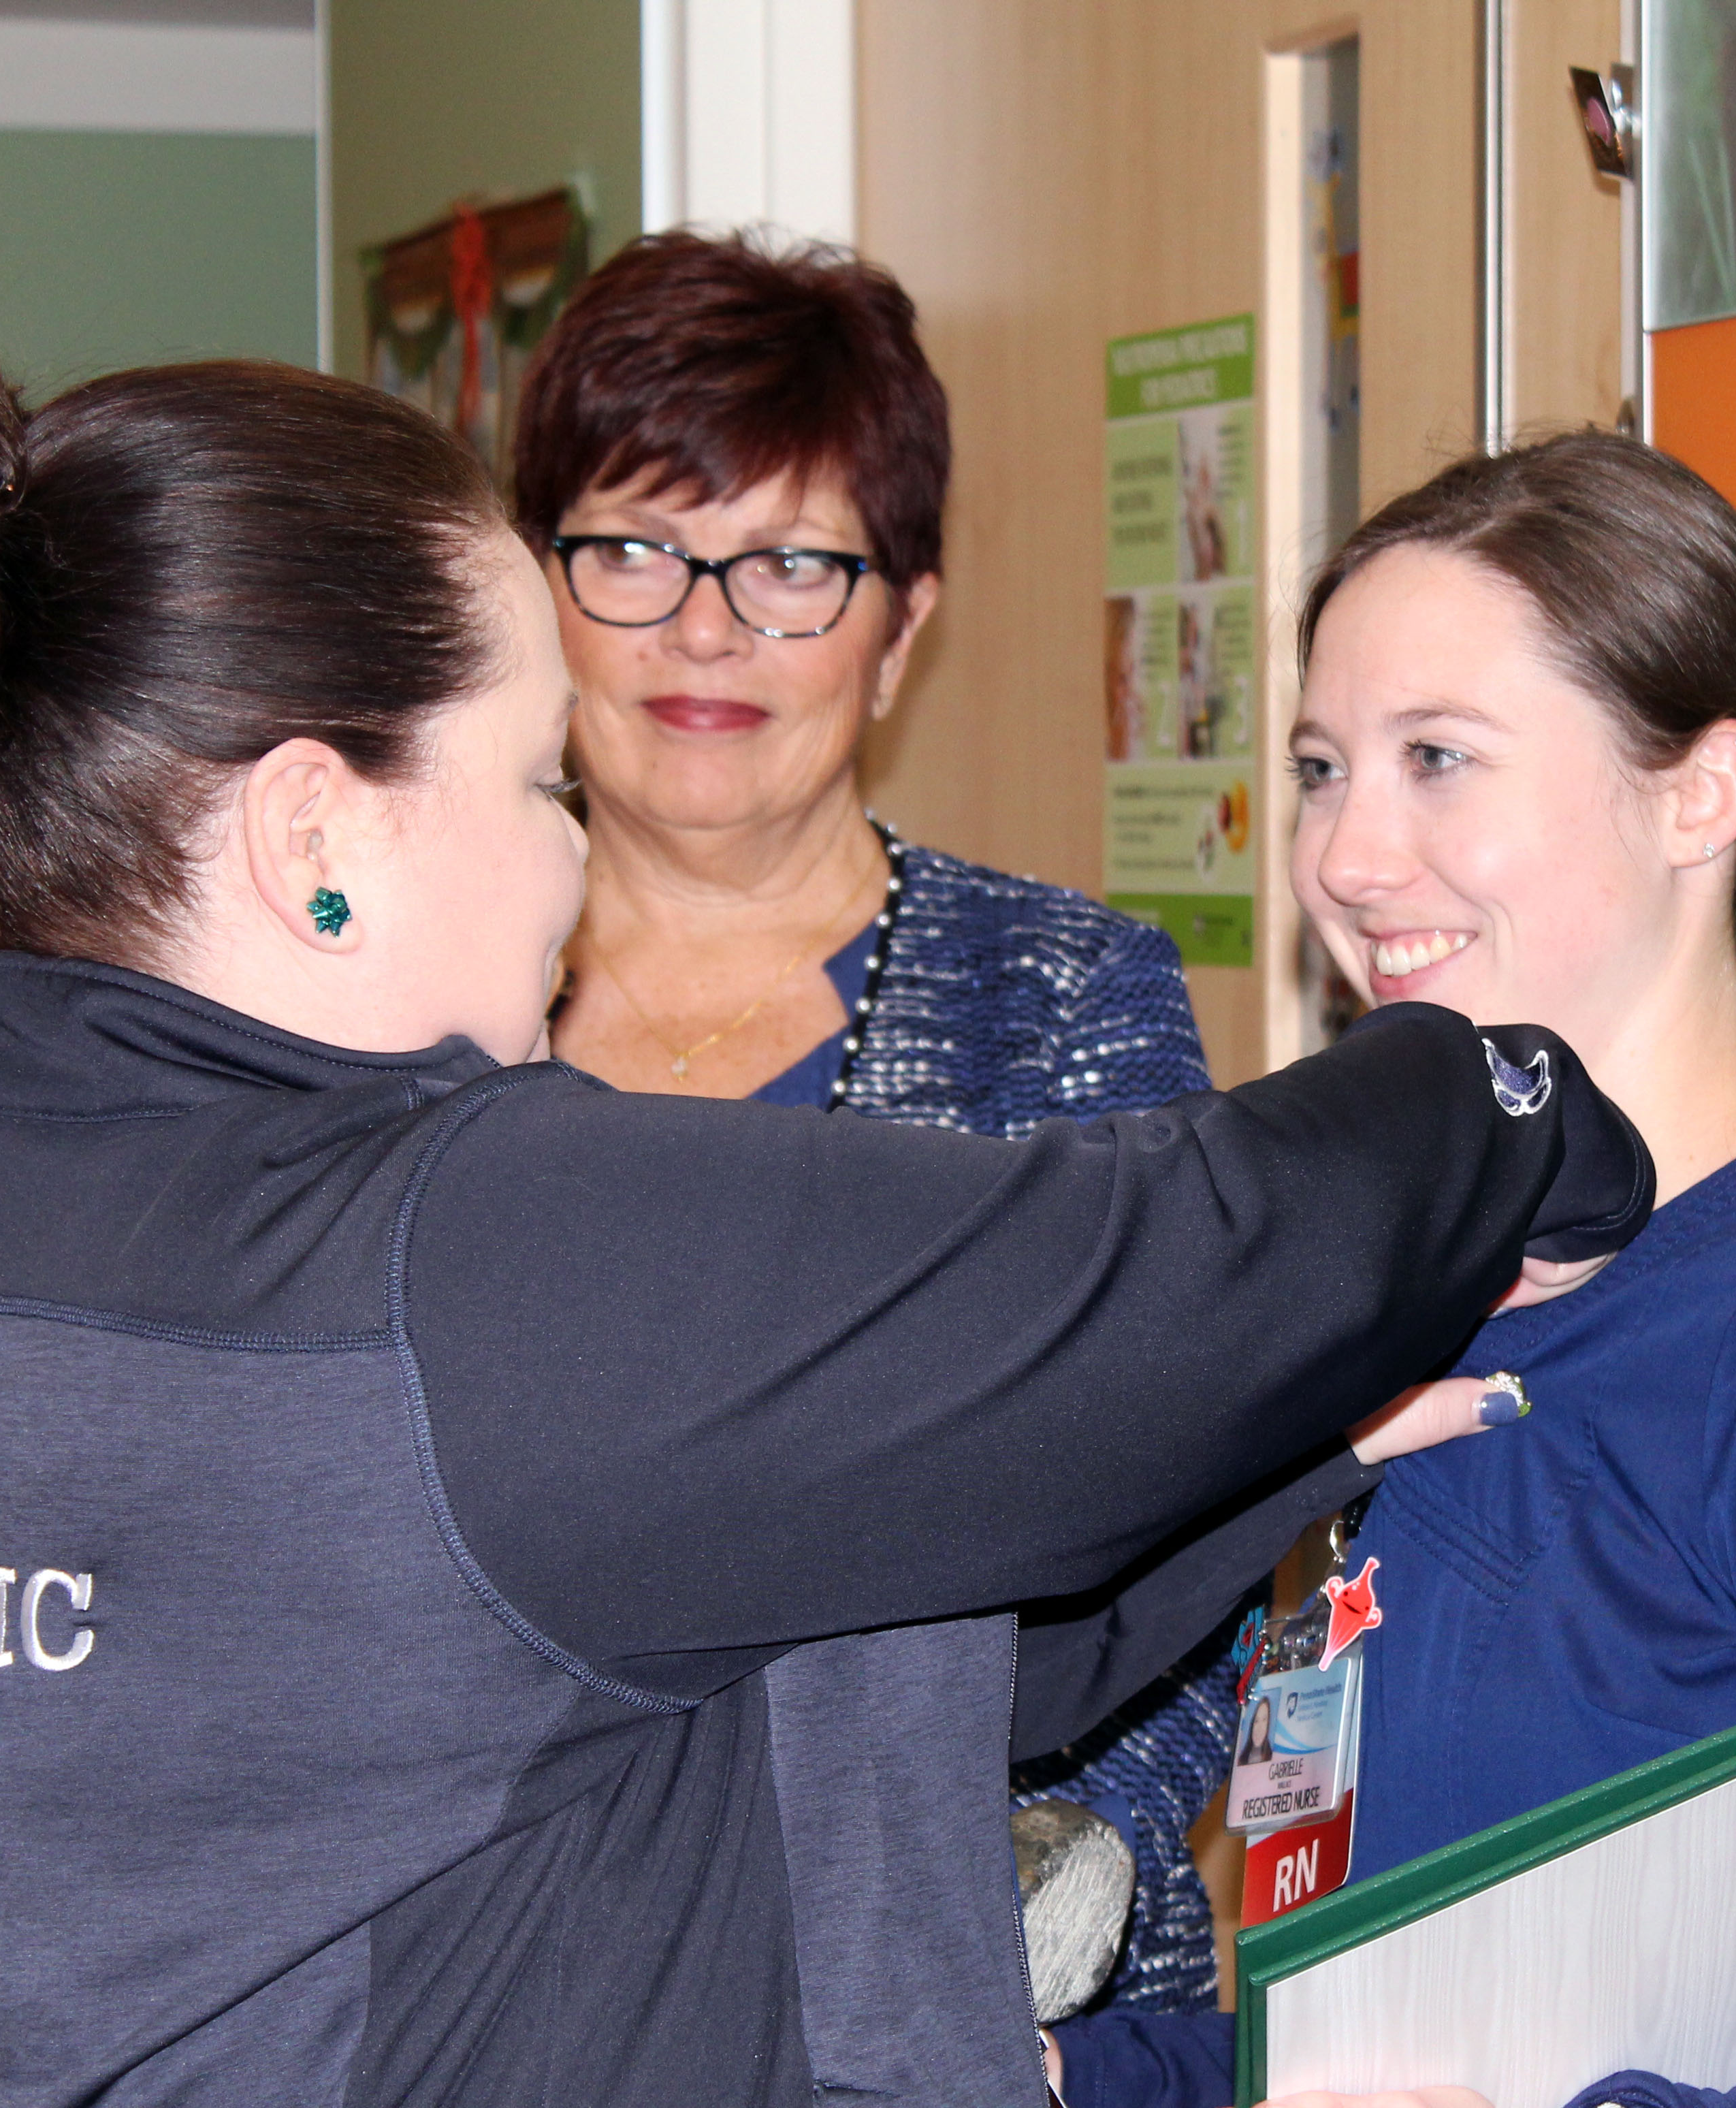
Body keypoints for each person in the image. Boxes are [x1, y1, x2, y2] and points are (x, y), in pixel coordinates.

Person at [0, 338, 1649, 2108]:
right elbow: (1193, 1247)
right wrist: (1503, 1097)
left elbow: (678, 1658)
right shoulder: (457, 1252)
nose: (576, 849)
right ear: (312, 836)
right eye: (536, 777)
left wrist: (1273, 1450)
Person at [1048, 432, 1736, 2108]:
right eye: (1326, 767)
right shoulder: (1401, 1298)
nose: (1346, 857)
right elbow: (1384, 2053)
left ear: (1702, 790)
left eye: (1439, 759)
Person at [516, 227, 1254, 2017]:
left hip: (998, 2005)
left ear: (904, 621)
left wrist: (1034, 1867)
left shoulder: (1064, 998)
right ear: (530, 581)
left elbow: (1204, 1532)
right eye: (634, 549)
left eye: (789, 565)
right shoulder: (410, 1011)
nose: (704, 628)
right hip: (526, 1989)